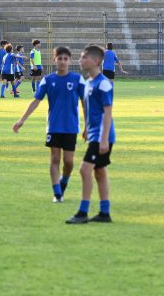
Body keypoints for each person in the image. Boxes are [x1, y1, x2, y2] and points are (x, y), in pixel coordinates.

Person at [13, 46, 86, 202]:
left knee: (69, 162)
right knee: (55, 159)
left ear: (70, 61)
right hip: (53, 126)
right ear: (54, 60)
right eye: (59, 58)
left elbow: (85, 103)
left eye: (65, 59)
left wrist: (88, 126)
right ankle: (57, 193)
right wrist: (21, 120)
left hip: (71, 126)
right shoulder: (48, 80)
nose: (62, 61)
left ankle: (64, 181)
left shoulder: (77, 79)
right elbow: (36, 101)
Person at [66, 44, 116, 224]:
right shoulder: (88, 82)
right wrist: (87, 128)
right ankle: (105, 212)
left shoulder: (103, 83)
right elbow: (89, 109)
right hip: (94, 133)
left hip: (102, 135)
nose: (80, 60)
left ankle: (83, 212)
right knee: (99, 172)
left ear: (95, 61)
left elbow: (107, 113)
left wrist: (103, 140)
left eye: (83, 57)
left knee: (85, 169)